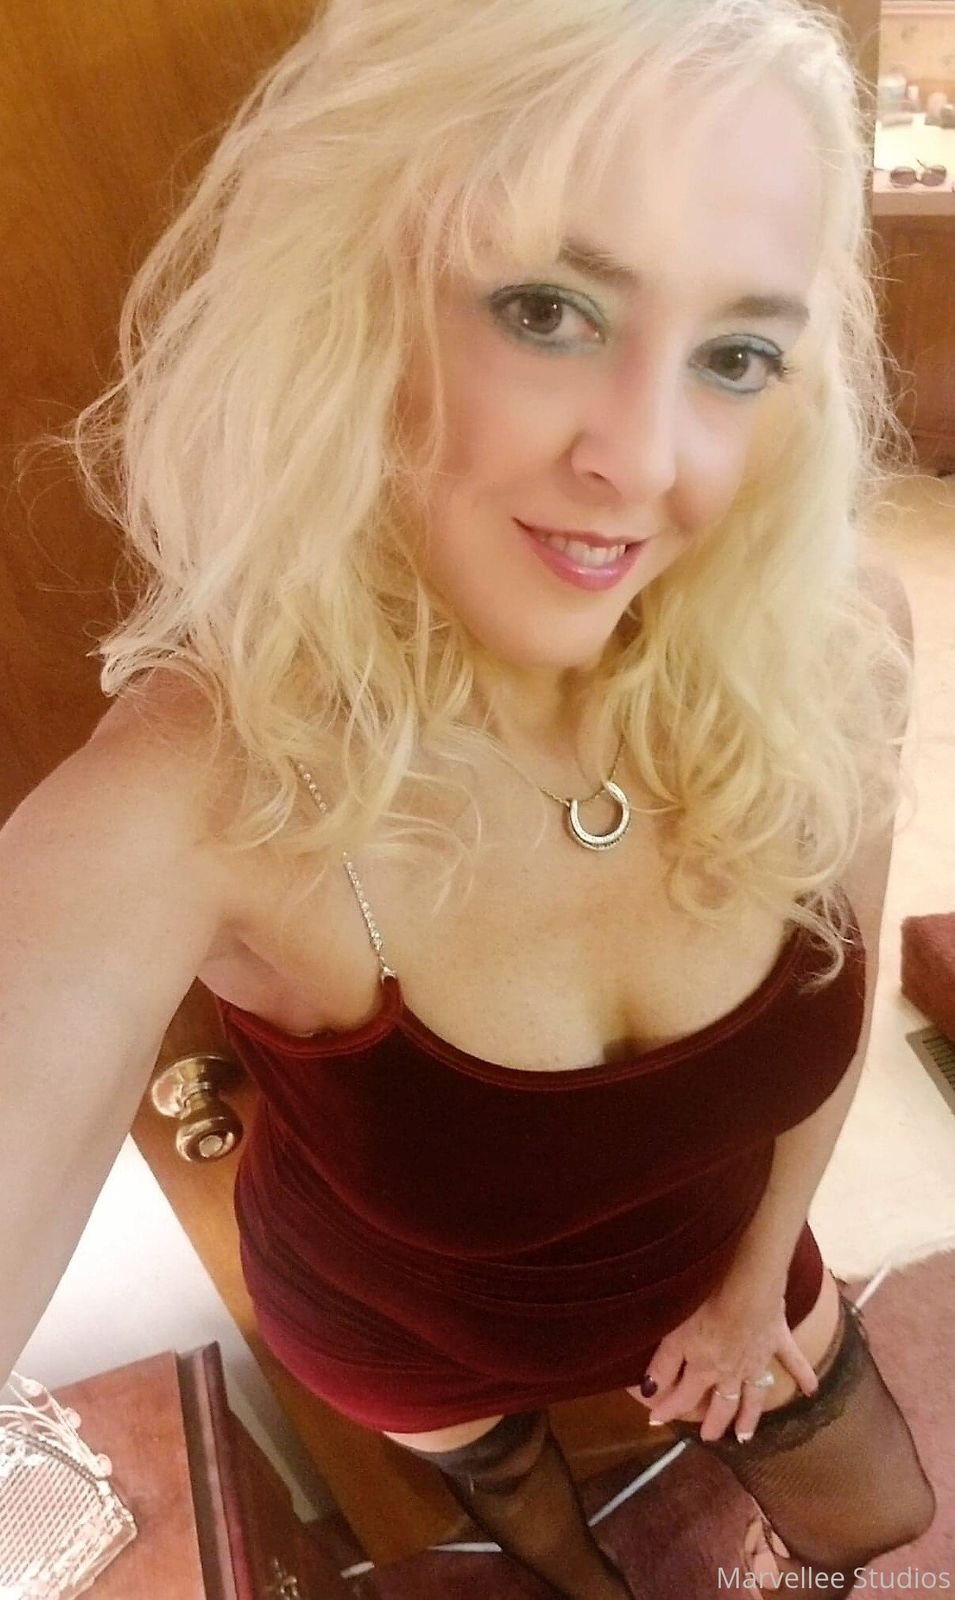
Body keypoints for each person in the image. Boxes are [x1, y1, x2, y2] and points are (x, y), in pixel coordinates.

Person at [1, 0, 938, 1595]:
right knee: (548, 1546)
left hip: (723, 1264)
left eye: (734, 354)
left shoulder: (831, 638)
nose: (647, 460)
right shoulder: (204, 785)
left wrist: (746, 1294)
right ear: (353, 304)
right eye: (547, 308)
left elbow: (831, 1022)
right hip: (404, 1339)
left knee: (877, 1516)